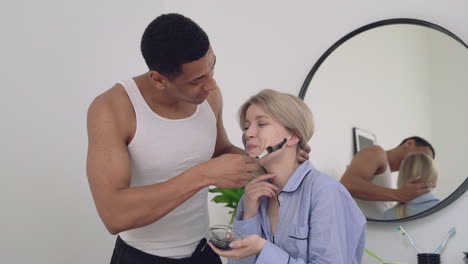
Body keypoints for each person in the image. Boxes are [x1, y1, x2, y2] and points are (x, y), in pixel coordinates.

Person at [86, 14, 309, 263]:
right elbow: (114, 215)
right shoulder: (113, 108)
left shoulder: (208, 97)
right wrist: (203, 175)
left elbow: (219, 149)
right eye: (197, 80)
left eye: (212, 67)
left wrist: (276, 159)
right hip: (142, 256)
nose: (211, 85)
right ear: (159, 79)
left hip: (203, 251)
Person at [209, 89, 366, 264]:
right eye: (246, 127)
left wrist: (263, 249)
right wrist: (250, 213)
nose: (248, 133)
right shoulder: (252, 196)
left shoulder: (325, 191)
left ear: (292, 137)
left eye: (261, 124)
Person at [340, 136, 436, 219]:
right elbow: (347, 184)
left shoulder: (389, 175)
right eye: (422, 156)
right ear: (409, 143)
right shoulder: (376, 152)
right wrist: (400, 195)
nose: (422, 163)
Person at [383, 152, 440, 219]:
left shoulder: (389, 215)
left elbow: (400, 229)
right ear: (434, 176)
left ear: (402, 176)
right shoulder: (446, 209)